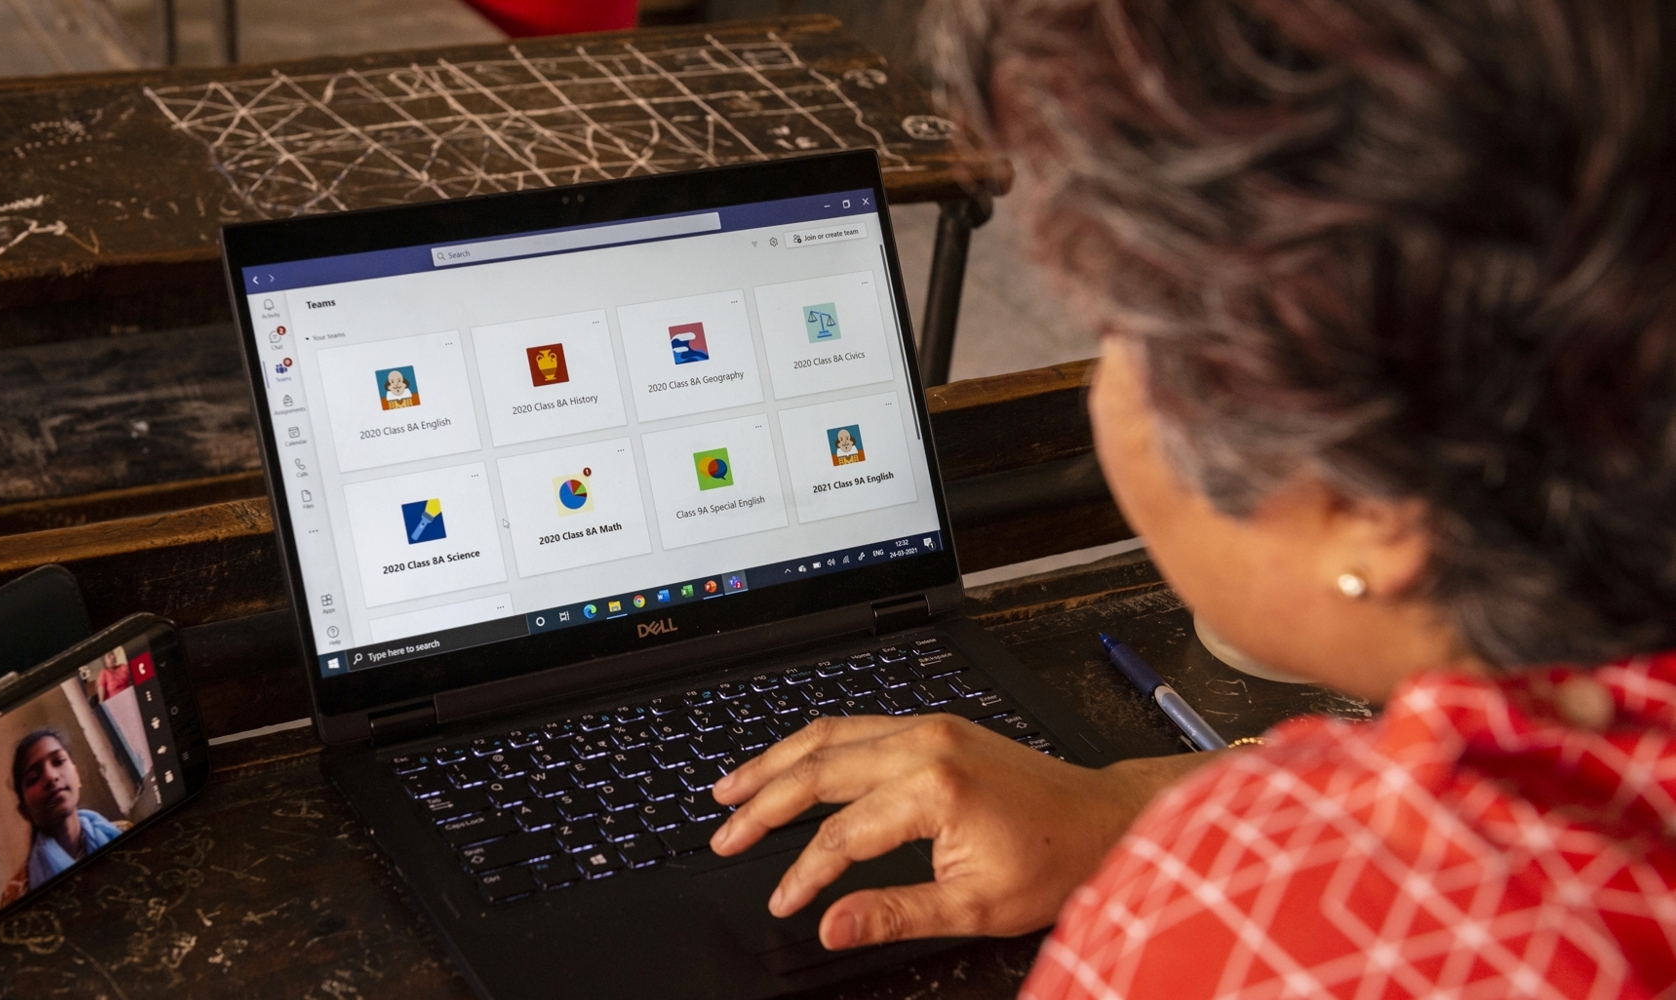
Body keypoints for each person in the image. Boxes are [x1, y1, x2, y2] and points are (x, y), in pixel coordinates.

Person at [709, 0, 1676, 995]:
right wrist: (1128, 796)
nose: (1102, 384)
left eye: (1129, 329)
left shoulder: (1225, 928)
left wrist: (1217, 828)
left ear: (1369, 510)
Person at [0, 728, 126, 906]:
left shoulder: (124, 835)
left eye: (58, 761)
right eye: (34, 778)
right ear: (25, 811)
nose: (51, 777)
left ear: (77, 775)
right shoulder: (16, 895)